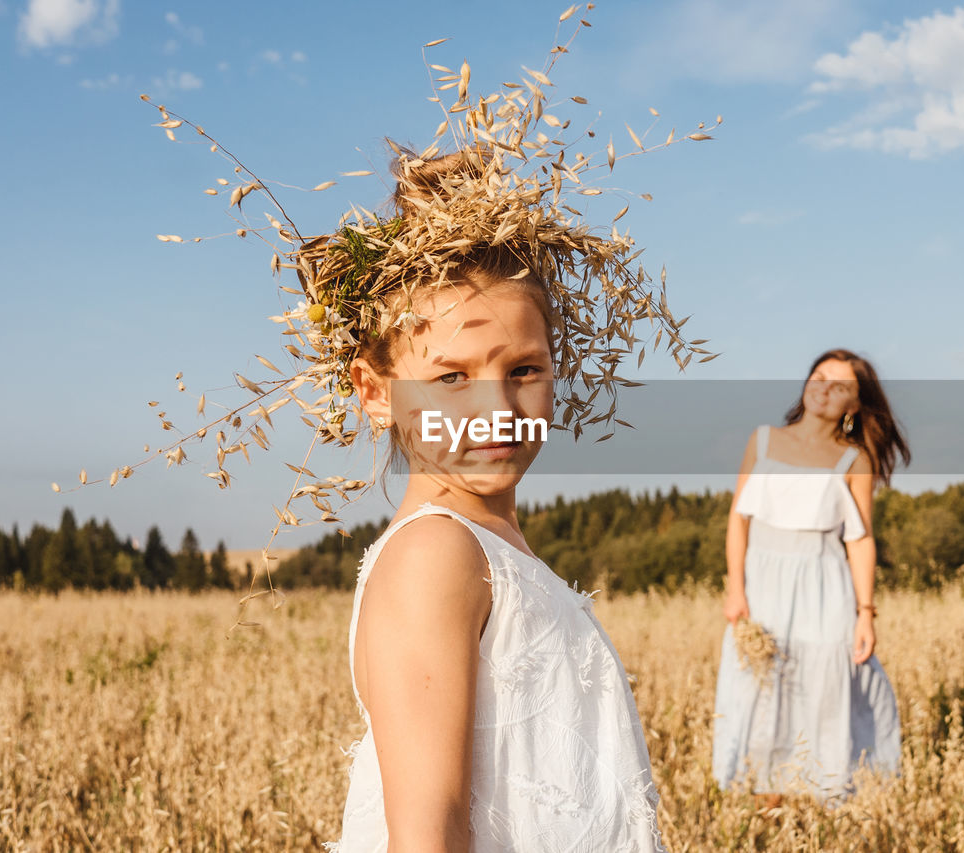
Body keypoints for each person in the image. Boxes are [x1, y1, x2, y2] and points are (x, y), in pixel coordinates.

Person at [316, 138, 702, 847]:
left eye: (524, 368)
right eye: (452, 377)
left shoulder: (489, 547)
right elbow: (429, 832)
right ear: (375, 392)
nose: (497, 406)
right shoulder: (435, 554)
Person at [712, 348, 910, 801]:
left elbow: (859, 539)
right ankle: (766, 809)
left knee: (823, 691)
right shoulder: (762, 440)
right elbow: (737, 520)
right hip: (763, 586)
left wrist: (865, 613)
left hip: (824, 587)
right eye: (819, 376)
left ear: (855, 405)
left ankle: (825, 804)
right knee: (762, 692)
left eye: (839, 385)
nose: (824, 388)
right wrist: (736, 589)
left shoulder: (854, 459)